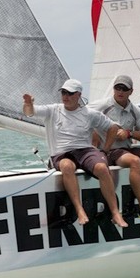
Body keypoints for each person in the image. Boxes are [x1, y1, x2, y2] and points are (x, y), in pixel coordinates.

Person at [23, 78, 127, 228]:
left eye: (70, 93)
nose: (65, 96)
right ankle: (79, 210)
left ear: (78, 95)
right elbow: (30, 113)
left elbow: (112, 127)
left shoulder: (90, 113)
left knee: (102, 168)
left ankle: (116, 212)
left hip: (85, 151)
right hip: (61, 153)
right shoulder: (53, 110)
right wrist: (28, 104)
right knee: (66, 166)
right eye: (63, 92)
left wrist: (106, 149)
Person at [89, 74, 140, 223]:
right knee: (135, 161)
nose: (120, 91)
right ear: (113, 89)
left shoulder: (134, 110)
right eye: (117, 88)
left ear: (131, 91)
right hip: (109, 152)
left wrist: (129, 133)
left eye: (124, 89)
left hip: (126, 149)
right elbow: (80, 115)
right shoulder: (102, 105)